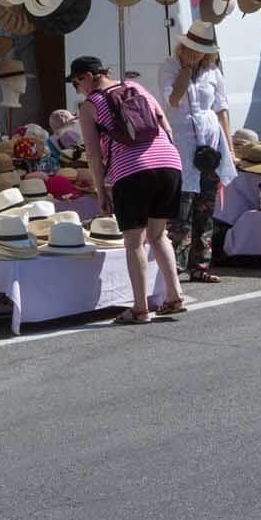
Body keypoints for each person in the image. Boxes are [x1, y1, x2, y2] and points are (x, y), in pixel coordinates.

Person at [74, 55, 185, 323]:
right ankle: (174, 295)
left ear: (87, 77)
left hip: (131, 171)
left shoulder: (90, 105)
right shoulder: (137, 87)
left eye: (76, 83)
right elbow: (165, 126)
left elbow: (93, 155)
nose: (77, 89)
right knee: (159, 235)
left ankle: (140, 308)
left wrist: (102, 192)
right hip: (169, 163)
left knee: (134, 241)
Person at [161, 22, 235, 283]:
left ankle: (200, 265)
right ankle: (176, 266)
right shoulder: (170, 66)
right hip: (183, 144)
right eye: (192, 48)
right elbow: (173, 99)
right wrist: (186, 69)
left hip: (211, 144)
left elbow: (221, 110)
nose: (196, 54)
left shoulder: (213, 71)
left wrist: (230, 147)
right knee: (182, 207)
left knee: (206, 204)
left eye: (201, 50)